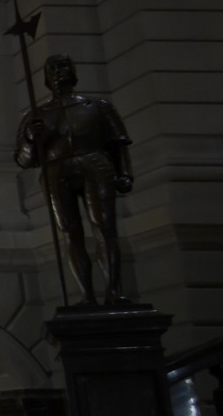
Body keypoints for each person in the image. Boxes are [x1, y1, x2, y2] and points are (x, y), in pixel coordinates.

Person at [14, 54, 135, 307]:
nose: (59, 72)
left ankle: (114, 291)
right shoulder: (37, 115)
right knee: (70, 233)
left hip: (94, 162)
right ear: (46, 77)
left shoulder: (97, 106)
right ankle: (86, 296)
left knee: (104, 227)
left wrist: (125, 173)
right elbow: (25, 160)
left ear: (73, 70)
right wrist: (29, 138)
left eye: (63, 66)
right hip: (57, 171)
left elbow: (118, 142)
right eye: (53, 68)